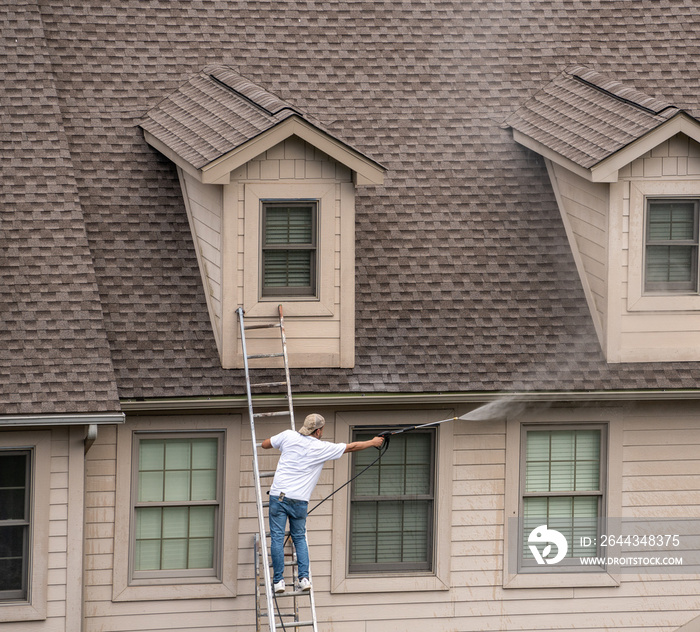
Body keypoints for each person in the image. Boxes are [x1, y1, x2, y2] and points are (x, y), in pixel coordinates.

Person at [261, 413, 384, 594]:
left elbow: (265, 444)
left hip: (278, 496)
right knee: (299, 538)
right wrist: (373, 442)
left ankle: (278, 582)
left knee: (277, 539)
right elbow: (352, 447)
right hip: (299, 501)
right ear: (318, 431)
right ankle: (303, 579)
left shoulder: (288, 435)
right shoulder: (321, 448)